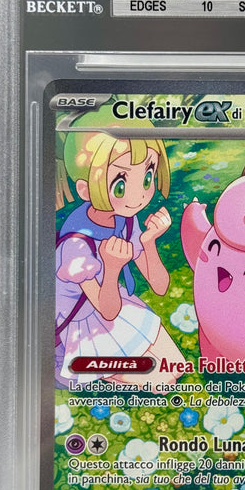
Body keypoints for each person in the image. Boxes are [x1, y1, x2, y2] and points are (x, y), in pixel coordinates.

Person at [55, 123, 185, 389]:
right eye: (121, 185)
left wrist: (149, 242)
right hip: (84, 322)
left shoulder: (125, 219)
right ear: (85, 190)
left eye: (147, 177)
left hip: (116, 303)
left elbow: (160, 286)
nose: (139, 196)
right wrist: (112, 268)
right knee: (163, 380)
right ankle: (71, 367)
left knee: (177, 368)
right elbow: (107, 311)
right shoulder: (76, 245)